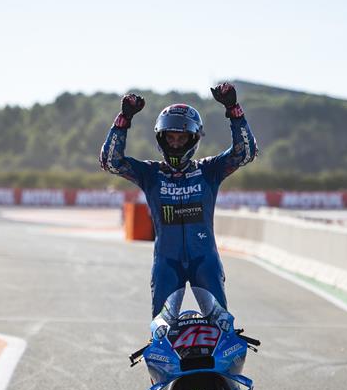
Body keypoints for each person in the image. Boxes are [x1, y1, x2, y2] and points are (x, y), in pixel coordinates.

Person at [99, 82, 258, 331]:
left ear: (193, 138)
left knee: (224, 326)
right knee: (161, 330)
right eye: (170, 137)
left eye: (181, 137)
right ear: (161, 139)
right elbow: (110, 161)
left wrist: (233, 110)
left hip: (205, 261)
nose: (174, 143)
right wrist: (123, 120)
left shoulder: (209, 170)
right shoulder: (150, 173)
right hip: (166, 263)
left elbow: (246, 153)